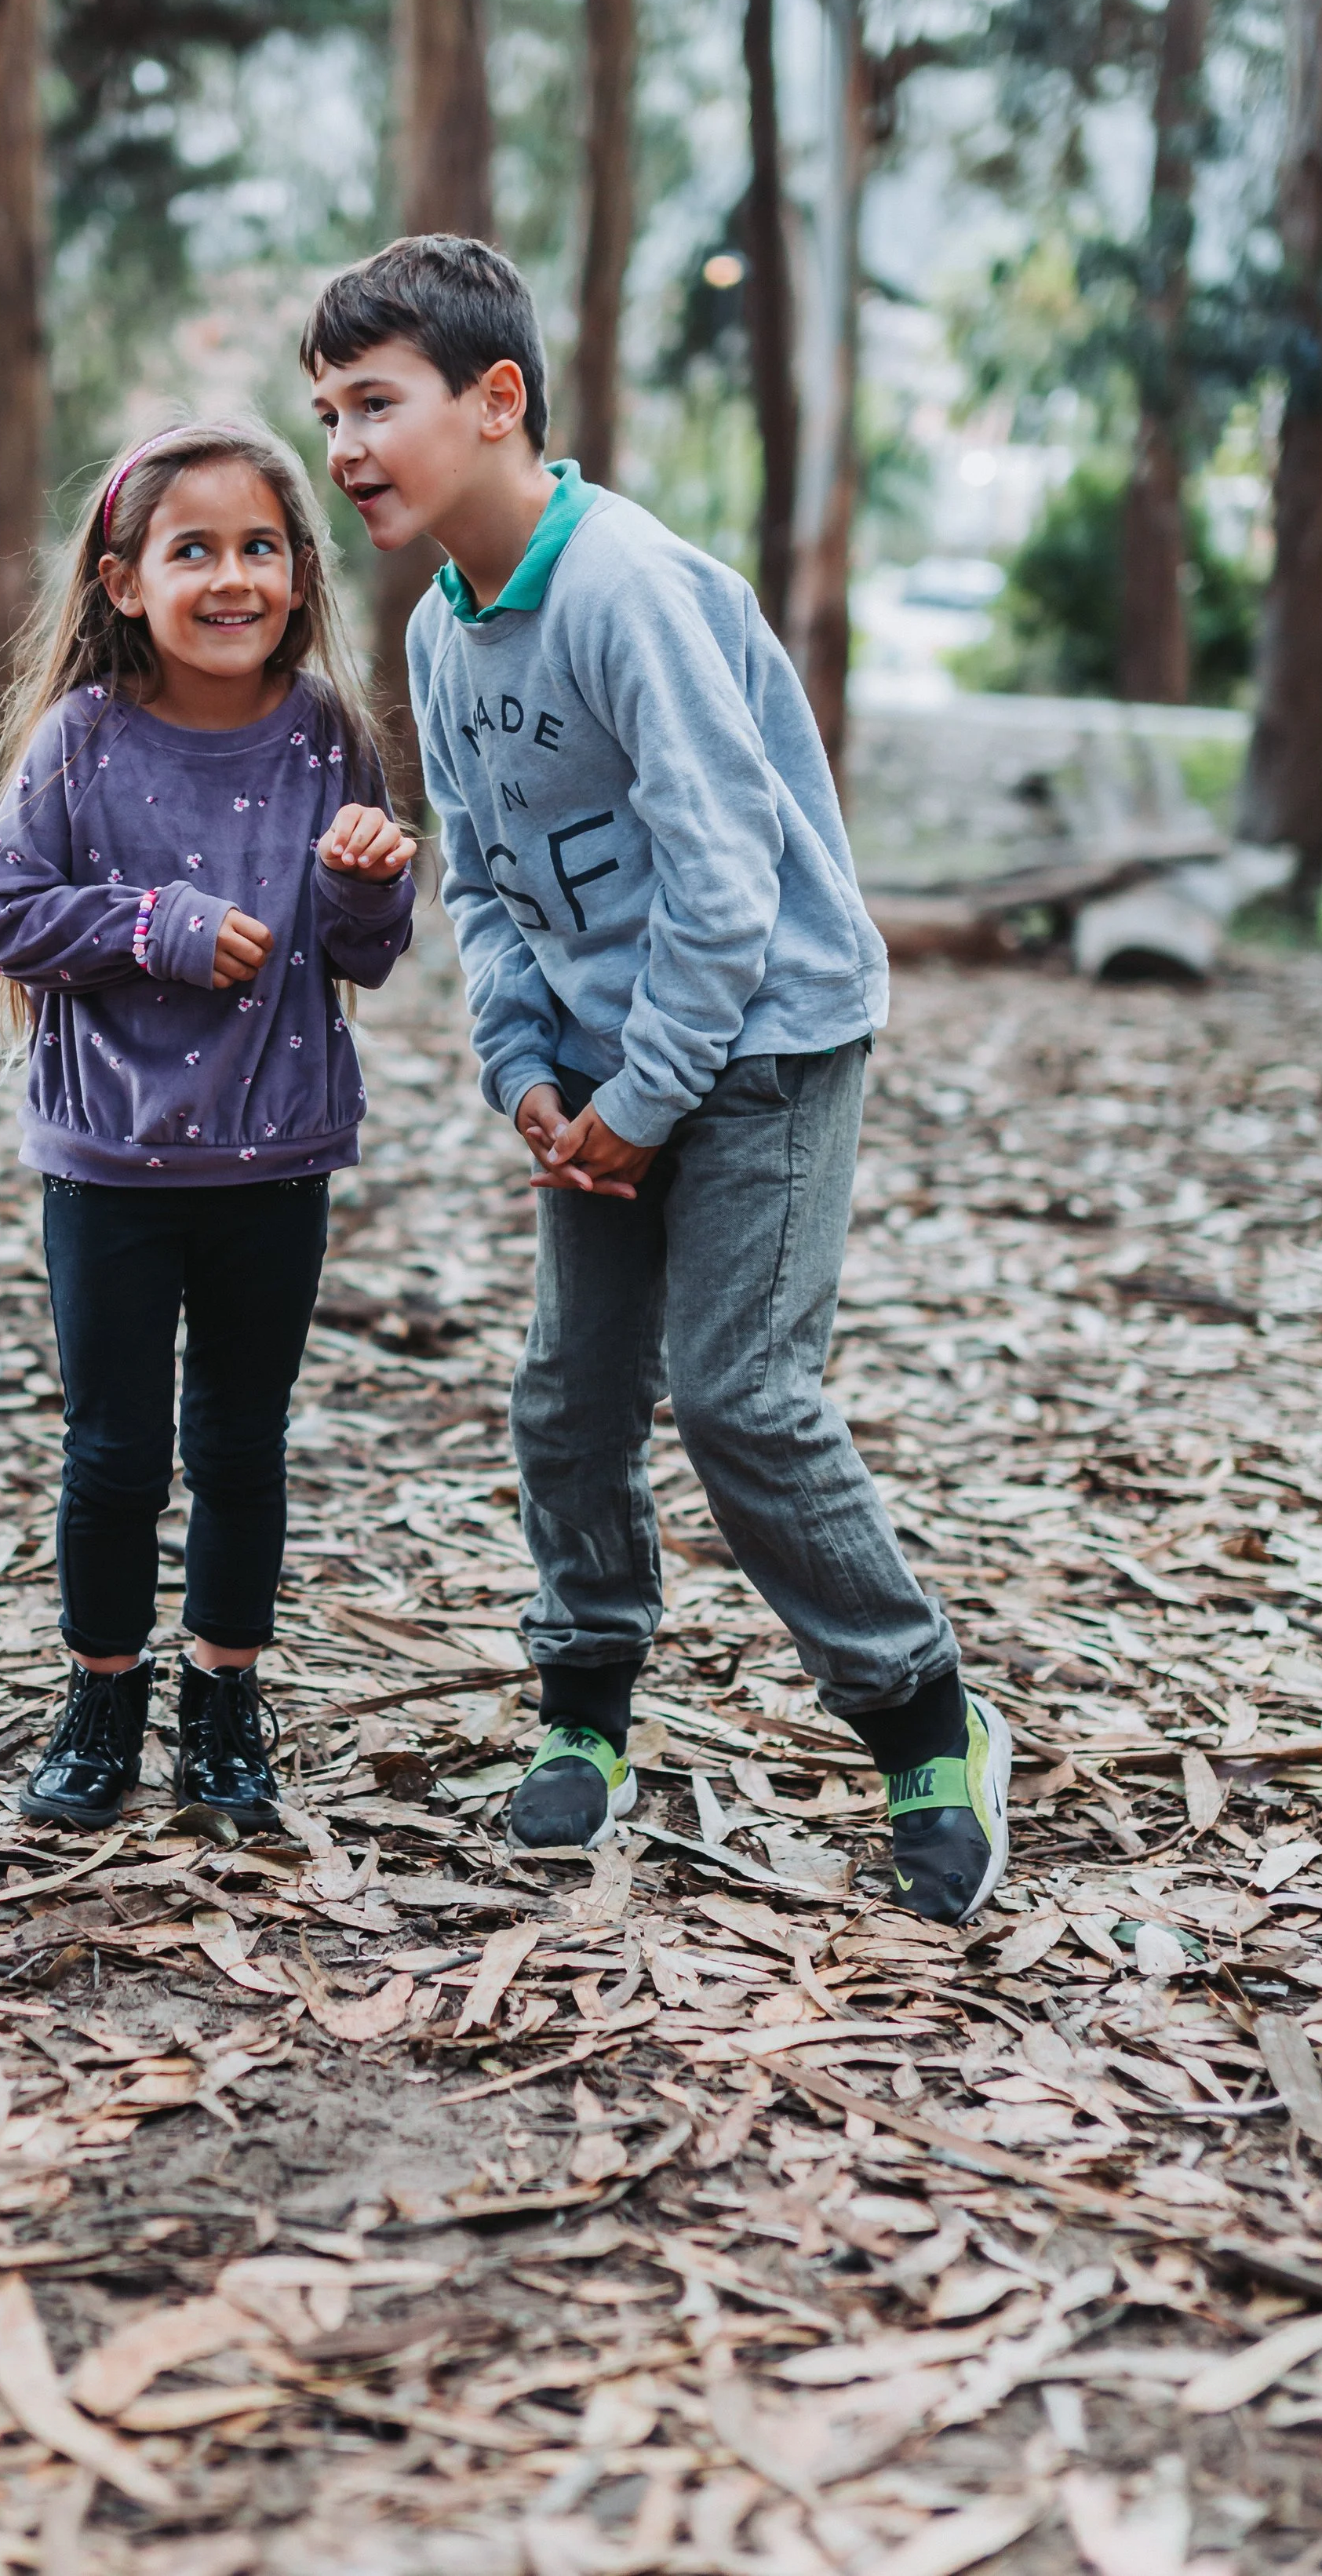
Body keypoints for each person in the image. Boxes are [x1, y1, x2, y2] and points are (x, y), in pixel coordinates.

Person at [302, 235, 1010, 1923]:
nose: (343, 447)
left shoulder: (629, 589)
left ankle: (926, 1720)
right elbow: (484, 884)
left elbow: (728, 875)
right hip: (602, 1068)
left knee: (740, 1395)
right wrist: (526, 1072)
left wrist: (648, 1093)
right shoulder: (441, 632)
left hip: (761, 1043)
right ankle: (585, 1712)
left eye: (375, 404)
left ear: (496, 400)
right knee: (568, 1396)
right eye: (325, 414)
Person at [0, 420, 416, 1833]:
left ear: (300, 574)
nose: (232, 577)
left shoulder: (328, 735)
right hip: (110, 1162)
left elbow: (368, 950)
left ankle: (224, 1707)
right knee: (112, 1451)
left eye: (260, 546)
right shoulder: (81, 740)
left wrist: (363, 882)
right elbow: (1, 912)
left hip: (275, 1159)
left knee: (239, 1444)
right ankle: (102, 1699)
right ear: (124, 580)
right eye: (194, 549)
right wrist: (154, 925)